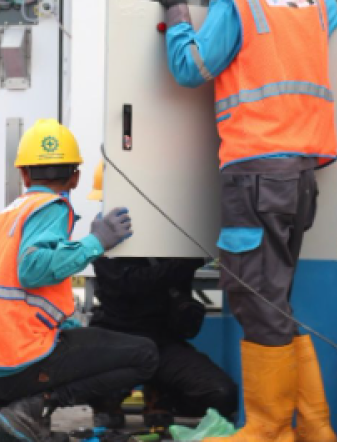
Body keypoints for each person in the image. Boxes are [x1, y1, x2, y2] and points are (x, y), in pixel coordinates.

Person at [153, 0, 337, 442]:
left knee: (255, 303)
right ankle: (314, 428)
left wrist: (175, 12)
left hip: (256, 175)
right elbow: (331, 13)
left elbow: (191, 68)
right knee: (274, 302)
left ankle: (265, 428)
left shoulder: (234, 3)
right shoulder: (313, 3)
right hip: (302, 179)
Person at [0, 119, 158, 442]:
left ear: (23, 174)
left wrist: (64, 326)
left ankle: (5, 409)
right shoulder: (53, 206)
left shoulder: (6, 216)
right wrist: (96, 242)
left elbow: (16, 292)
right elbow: (32, 269)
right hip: (19, 361)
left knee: (87, 341)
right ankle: (32, 406)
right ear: (76, 177)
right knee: (145, 354)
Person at [86, 161, 238, 430]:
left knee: (221, 394)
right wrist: (190, 260)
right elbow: (125, 284)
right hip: (115, 339)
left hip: (163, 344)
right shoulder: (102, 238)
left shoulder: (172, 235)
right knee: (86, 369)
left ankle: (160, 396)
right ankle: (108, 401)